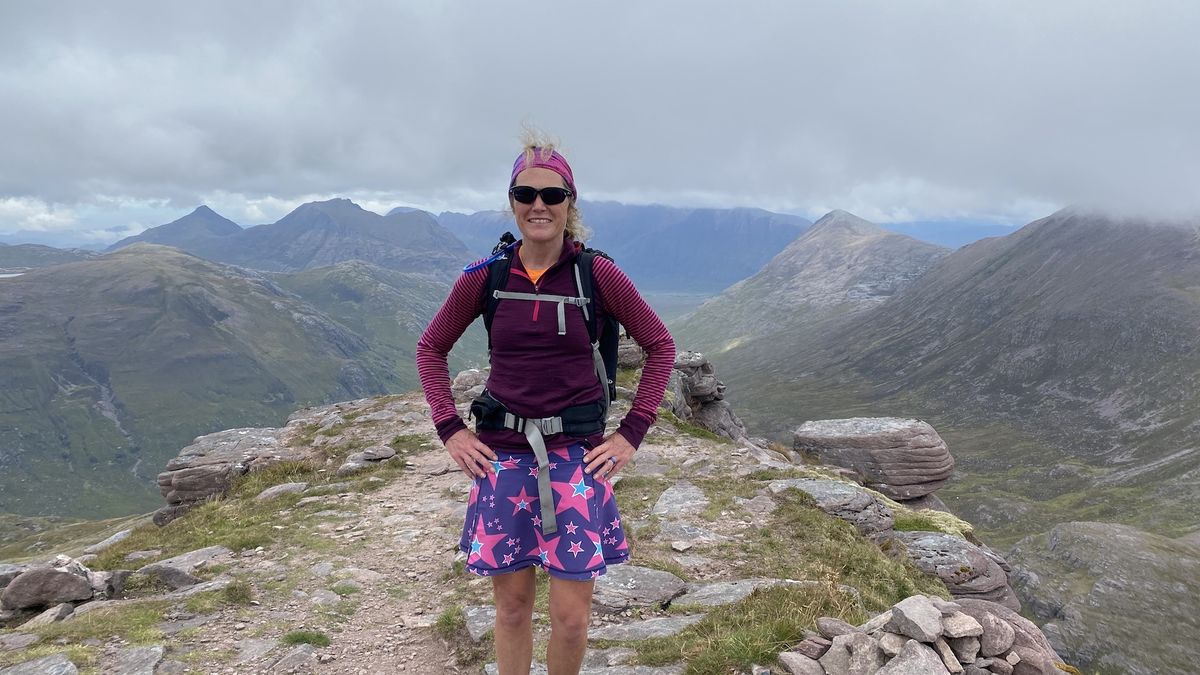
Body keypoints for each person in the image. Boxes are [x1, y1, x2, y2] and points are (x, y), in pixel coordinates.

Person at [416, 138, 675, 674]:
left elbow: (660, 345)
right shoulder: (485, 277)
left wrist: (630, 434)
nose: (539, 204)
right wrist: (450, 428)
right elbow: (430, 347)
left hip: (577, 457)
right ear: (511, 201)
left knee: (572, 619)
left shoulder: (597, 275)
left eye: (552, 193)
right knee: (511, 611)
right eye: (526, 192)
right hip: (503, 456)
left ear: (569, 202)